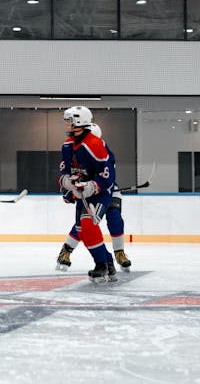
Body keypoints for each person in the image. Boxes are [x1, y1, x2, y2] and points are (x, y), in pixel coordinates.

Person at [56, 123, 132, 273]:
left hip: (106, 190)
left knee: (114, 217)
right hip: (87, 191)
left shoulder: (99, 149)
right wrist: (70, 190)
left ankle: (119, 252)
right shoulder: (74, 149)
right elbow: (70, 173)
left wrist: (93, 186)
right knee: (85, 224)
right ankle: (67, 250)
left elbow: (106, 178)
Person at [57, 106, 117, 283]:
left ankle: (101, 266)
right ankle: (108, 262)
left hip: (100, 194)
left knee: (88, 225)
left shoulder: (94, 145)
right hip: (81, 194)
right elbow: (64, 171)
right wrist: (67, 183)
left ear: (79, 121)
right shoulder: (67, 146)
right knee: (83, 231)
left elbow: (108, 176)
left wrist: (92, 186)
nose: (66, 124)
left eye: (69, 121)